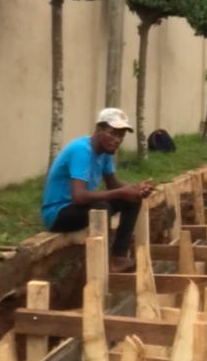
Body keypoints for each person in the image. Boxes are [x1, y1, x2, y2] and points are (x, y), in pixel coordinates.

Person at [42, 107, 153, 271]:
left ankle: (119, 256)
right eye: (113, 133)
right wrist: (122, 192)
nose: (117, 140)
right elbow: (78, 196)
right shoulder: (82, 151)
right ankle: (103, 262)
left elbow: (113, 183)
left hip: (78, 208)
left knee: (132, 200)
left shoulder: (106, 152)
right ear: (99, 129)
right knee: (102, 207)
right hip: (58, 213)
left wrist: (136, 190)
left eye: (120, 135)